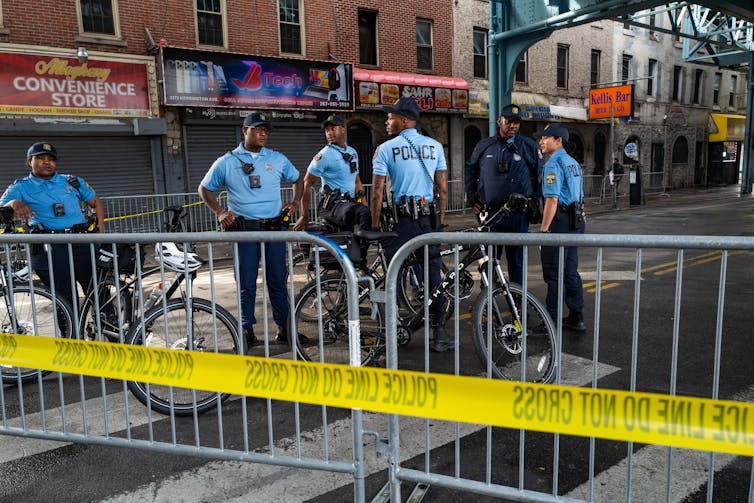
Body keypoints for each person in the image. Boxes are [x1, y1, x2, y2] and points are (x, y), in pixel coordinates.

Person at [198, 112, 304, 350]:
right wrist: (220, 212)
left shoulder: (277, 159)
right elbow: (204, 189)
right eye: (257, 129)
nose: (263, 133)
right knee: (246, 282)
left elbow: (298, 179)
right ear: (244, 131)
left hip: (274, 229)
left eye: (266, 130)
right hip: (244, 231)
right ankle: (246, 331)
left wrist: (295, 202)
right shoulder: (226, 162)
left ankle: (285, 329)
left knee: (277, 280)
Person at [369, 97, 450, 352]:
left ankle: (391, 333)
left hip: (400, 222)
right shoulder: (435, 146)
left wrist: (374, 225)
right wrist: (441, 222)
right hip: (427, 220)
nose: (387, 120)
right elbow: (444, 190)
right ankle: (439, 333)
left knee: (392, 275)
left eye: (390, 116)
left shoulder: (385, 149)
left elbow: (377, 192)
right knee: (433, 276)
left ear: (404, 120)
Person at [0, 142, 105, 307]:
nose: (47, 162)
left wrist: (100, 235)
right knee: (64, 299)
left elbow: (96, 202)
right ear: (29, 162)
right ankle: (70, 332)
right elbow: (2, 211)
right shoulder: (20, 186)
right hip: (50, 249)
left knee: (99, 292)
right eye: (40, 158)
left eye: (51, 159)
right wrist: (13, 202)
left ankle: (109, 328)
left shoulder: (71, 181)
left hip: (82, 243)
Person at [464, 103, 542, 286]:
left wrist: (536, 202)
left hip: (518, 216)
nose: (513, 126)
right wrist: (471, 197)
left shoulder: (528, 146)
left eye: (516, 122)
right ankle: (487, 306)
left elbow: (540, 175)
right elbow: (470, 169)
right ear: (500, 121)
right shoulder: (484, 145)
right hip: (491, 214)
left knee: (517, 263)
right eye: (509, 121)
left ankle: (519, 306)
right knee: (489, 262)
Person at [534, 123, 586, 332]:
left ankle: (551, 321)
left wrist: (543, 231)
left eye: (545, 137)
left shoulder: (552, 164)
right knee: (571, 271)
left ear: (558, 141)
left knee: (555, 273)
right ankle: (576, 316)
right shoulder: (573, 162)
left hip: (561, 222)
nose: (541, 141)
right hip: (576, 220)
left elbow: (552, 201)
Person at [293, 114, 371, 234]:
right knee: (362, 213)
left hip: (348, 207)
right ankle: (363, 248)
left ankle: (359, 250)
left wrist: (364, 204)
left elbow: (357, 181)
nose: (329, 133)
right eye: (327, 130)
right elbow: (306, 183)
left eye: (333, 128)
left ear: (343, 129)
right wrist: (304, 215)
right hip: (332, 206)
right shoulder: (324, 155)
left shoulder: (352, 152)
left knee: (348, 240)